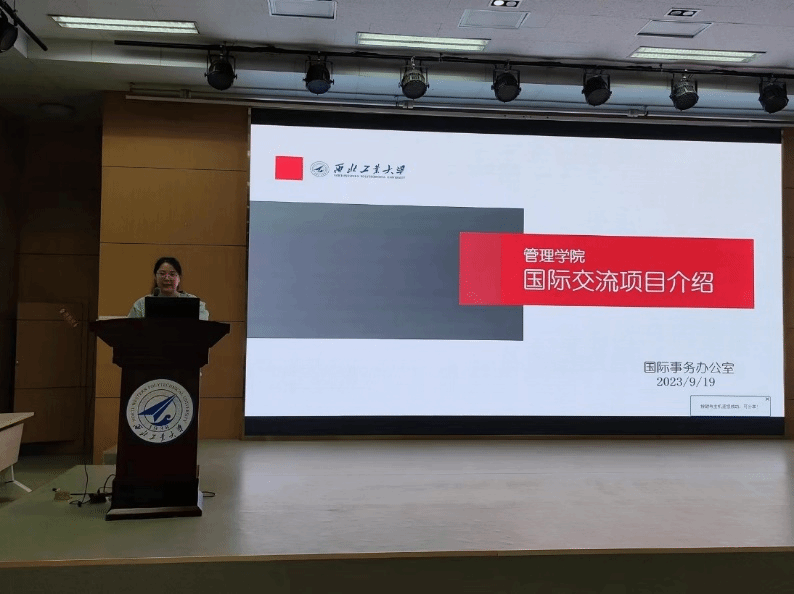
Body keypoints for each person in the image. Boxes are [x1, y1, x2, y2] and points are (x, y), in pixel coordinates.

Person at [128, 257, 209, 320]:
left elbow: (202, 328)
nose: (167, 278)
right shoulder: (141, 305)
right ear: (155, 277)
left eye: (172, 274)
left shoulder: (195, 303)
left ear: (179, 278)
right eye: (162, 273)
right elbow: (130, 329)